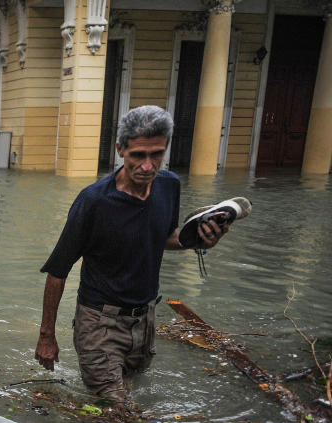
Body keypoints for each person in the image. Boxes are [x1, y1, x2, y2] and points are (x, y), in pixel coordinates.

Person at [34, 105, 231, 406]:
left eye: (157, 154)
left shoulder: (169, 185)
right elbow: (58, 270)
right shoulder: (94, 201)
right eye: (138, 155)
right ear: (120, 150)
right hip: (99, 322)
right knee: (118, 410)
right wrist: (47, 336)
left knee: (130, 394)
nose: (148, 166)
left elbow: (165, 237)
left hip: (145, 321)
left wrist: (200, 241)